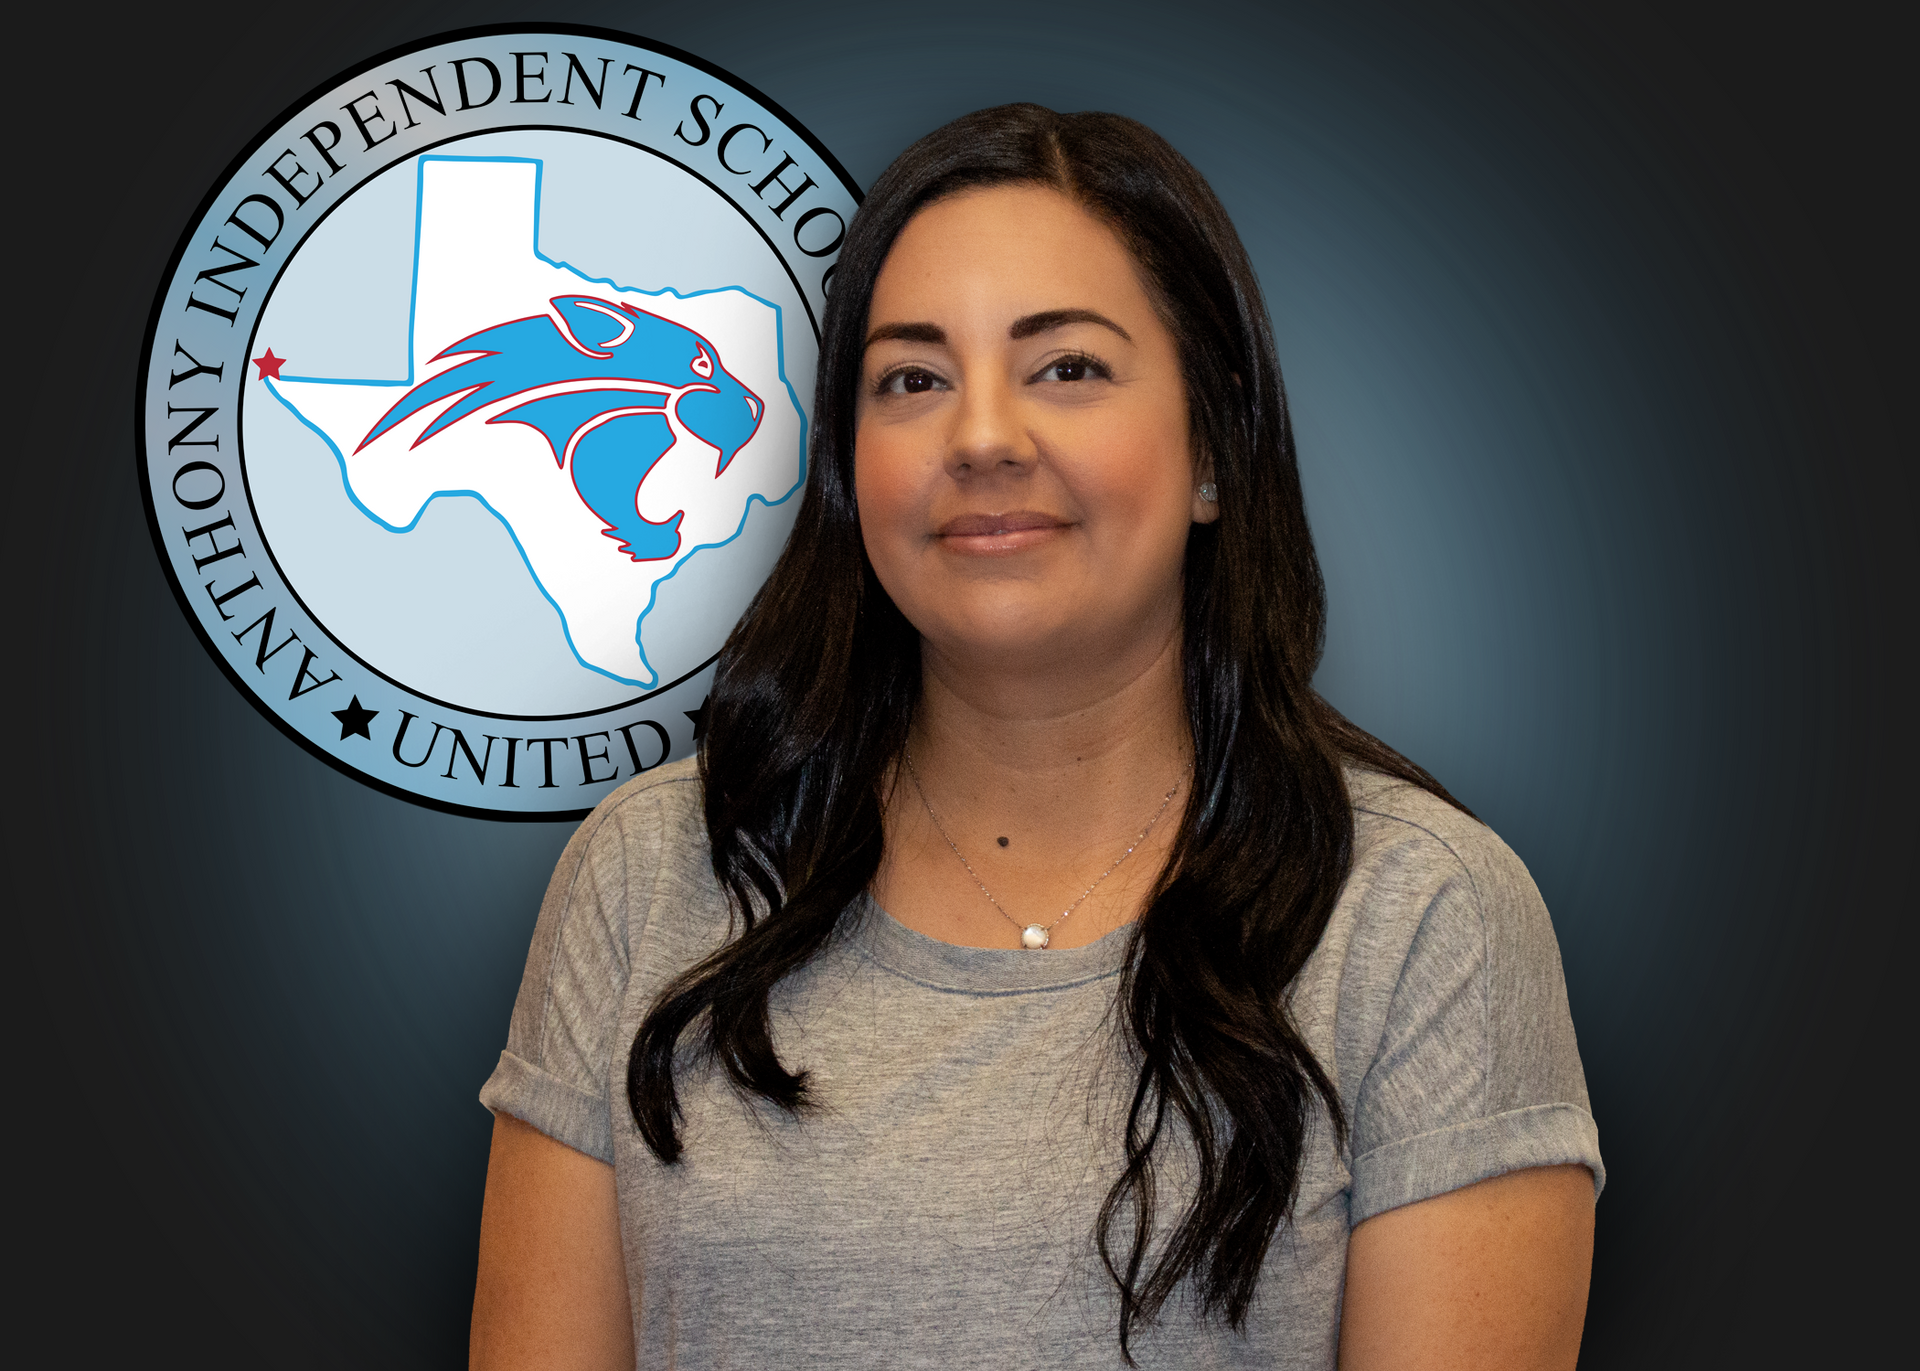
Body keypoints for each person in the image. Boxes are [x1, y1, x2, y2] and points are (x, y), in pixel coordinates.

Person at [469, 104, 1602, 1370]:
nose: (984, 436)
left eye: (1067, 367)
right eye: (913, 379)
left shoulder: (1419, 915)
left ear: (1214, 451)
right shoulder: (653, 873)